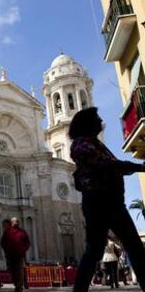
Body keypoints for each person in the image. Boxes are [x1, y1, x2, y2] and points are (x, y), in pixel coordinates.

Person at [69, 107, 145, 292]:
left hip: (109, 201)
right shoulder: (82, 144)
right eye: (96, 118)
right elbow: (107, 164)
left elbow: (110, 166)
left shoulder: (93, 143)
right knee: (125, 247)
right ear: (87, 123)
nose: (101, 120)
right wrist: (138, 167)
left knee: (124, 247)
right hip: (101, 201)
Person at [1, 218, 30, 292]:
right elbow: (3, 242)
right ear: (11, 223)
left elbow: (27, 242)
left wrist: (23, 249)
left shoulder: (22, 232)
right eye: (14, 221)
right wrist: (6, 251)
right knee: (12, 270)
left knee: (19, 270)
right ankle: (16, 283)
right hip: (10, 255)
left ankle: (19, 286)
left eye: (17, 221)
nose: (16, 222)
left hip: (19, 255)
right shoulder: (8, 231)